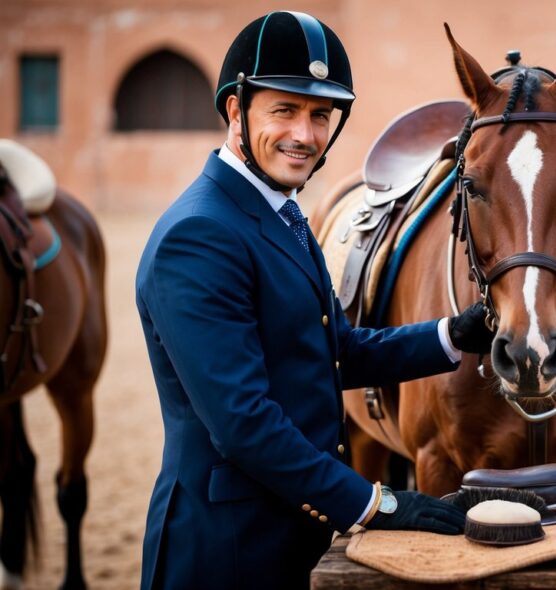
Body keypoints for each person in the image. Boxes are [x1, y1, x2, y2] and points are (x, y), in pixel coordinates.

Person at [135, 11, 494, 589]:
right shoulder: (197, 235)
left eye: (320, 115)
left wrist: (453, 334)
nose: (305, 134)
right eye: (285, 110)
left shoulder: (281, 212)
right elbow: (242, 423)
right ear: (236, 110)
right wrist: (376, 503)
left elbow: (331, 351)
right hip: (225, 549)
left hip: (295, 531)